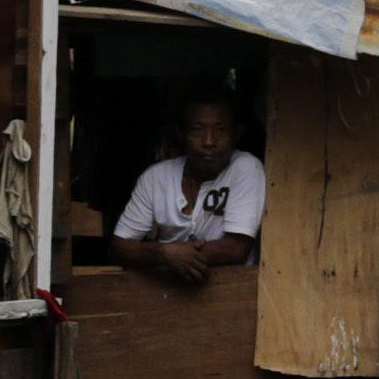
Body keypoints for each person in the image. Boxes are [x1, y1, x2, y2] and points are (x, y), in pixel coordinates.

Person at [109, 91, 266, 285]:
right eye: (197, 129)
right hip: (163, 295)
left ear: (236, 134)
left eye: (221, 129)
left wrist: (178, 254)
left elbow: (235, 249)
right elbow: (119, 248)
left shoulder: (246, 168)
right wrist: (164, 253)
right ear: (180, 134)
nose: (209, 141)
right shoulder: (156, 177)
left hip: (231, 294)